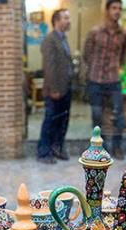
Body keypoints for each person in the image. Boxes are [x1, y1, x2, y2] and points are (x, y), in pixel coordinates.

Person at [83, 0, 126, 160]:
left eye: (120, 9)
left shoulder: (123, 34)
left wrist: (114, 67)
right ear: (107, 10)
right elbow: (86, 54)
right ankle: (99, 149)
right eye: (114, 8)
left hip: (113, 80)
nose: (117, 11)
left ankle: (117, 147)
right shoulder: (95, 32)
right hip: (96, 80)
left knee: (118, 116)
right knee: (97, 116)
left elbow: (123, 56)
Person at [37, 9, 73, 165]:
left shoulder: (63, 39)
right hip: (55, 90)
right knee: (50, 122)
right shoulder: (50, 40)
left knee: (62, 122)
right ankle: (43, 153)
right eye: (66, 18)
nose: (68, 21)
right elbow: (49, 67)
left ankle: (57, 148)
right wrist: (53, 89)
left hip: (65, 89)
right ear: (56, 21)